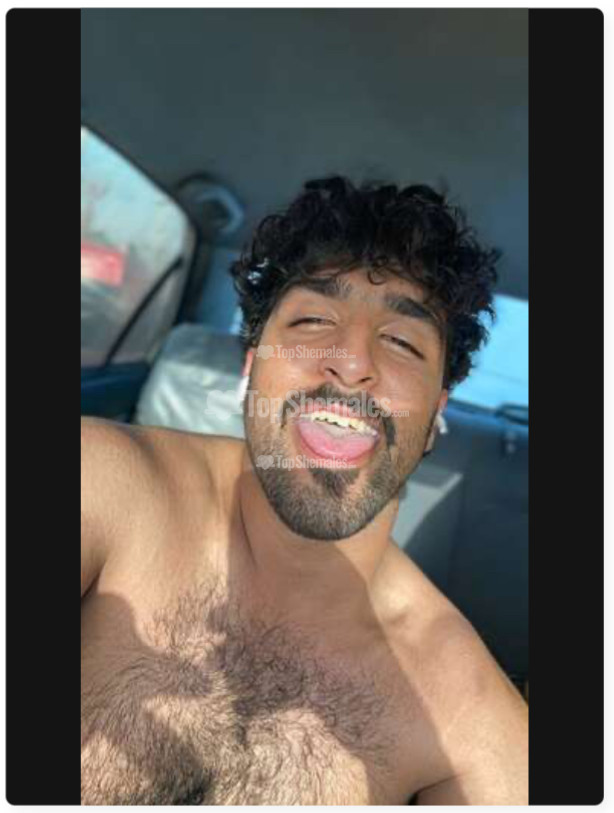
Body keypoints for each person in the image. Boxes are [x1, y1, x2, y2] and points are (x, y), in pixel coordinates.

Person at [81, 176, 528, 805]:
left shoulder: (465, 720)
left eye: (401, 342)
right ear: (251, 367)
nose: (352, 362)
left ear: (435, 418)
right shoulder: (104, 483)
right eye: (314, 319)